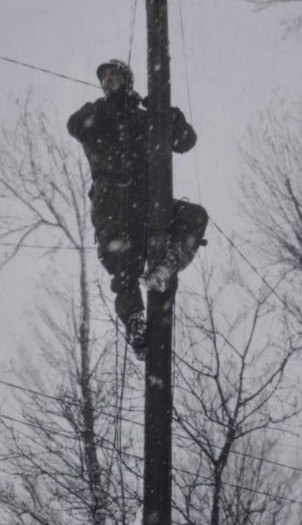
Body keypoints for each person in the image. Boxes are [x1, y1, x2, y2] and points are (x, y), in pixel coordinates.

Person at [68, 59, 208, 360]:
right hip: (114, 209)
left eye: (114, 74)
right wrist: (112, 104)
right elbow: (75, 125)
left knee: (194, 216)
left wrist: (166, 113)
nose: (107, 80)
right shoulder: (98, 117)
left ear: (127, 79)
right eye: (103, 77)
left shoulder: (146, 120)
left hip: (150, 203)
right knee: (125, 272)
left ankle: (166, 266)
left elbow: (186, 141)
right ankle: (138, 331)